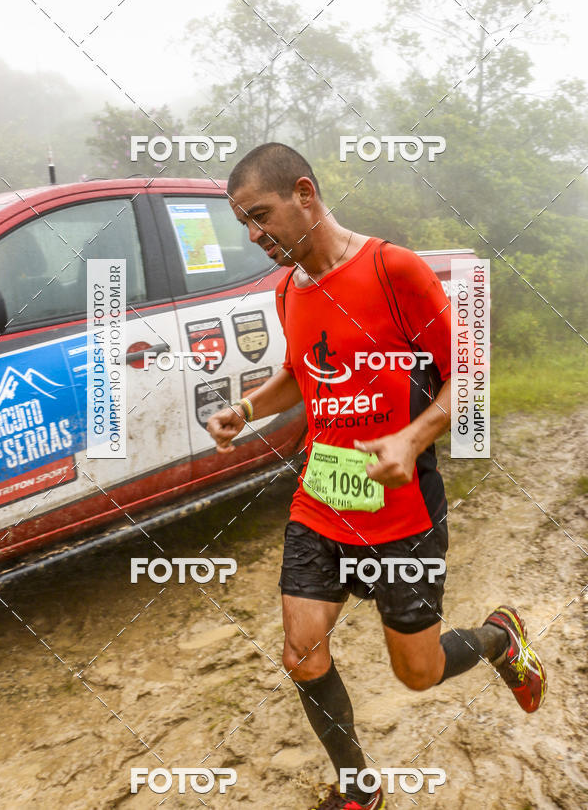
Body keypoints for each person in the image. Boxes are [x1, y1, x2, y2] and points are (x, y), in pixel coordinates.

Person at [206, 143, 547, 810]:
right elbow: (304, 372)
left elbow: (469, 377)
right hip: (322, 500)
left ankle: (499, 638)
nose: (254, 236)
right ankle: (360, 787)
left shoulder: (394, 270)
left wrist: (413, 435)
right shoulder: (285, 291)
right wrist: (246, 408)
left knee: (416, 674)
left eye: (261, 215)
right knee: (301, 653)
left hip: (403, 511)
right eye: (243, 223)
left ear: (305, 193)